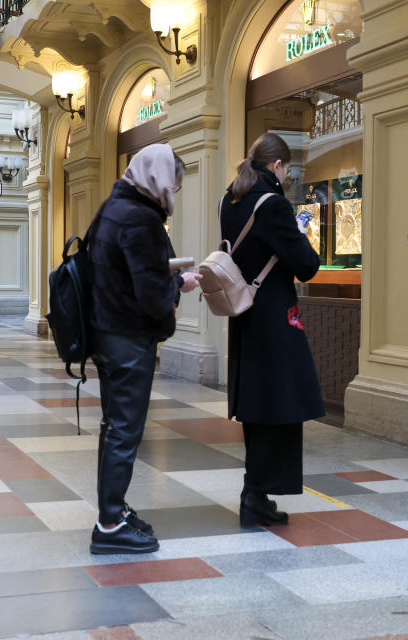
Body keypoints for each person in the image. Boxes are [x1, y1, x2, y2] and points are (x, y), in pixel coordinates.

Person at [88, 143, 201, 554]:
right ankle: (110, 524)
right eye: (176, 181)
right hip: (129, 339)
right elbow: (152, 296)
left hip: (106, 332)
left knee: (113, 427)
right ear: (158, 178)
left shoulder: (112, 209)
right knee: (124, 431)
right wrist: (179, 284)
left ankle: (113, 510)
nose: (176, 189)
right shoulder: (141, 219)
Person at [219, 132, 325, 528]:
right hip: (274, 318)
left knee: (256, 407)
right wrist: (301, 233)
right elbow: (307, 265)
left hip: (243, 315)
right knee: (280, 405)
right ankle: (256, 493)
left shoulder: (229, 201)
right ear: (278, 166)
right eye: (287, 169)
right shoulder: (273, 204)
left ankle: (255, 492)